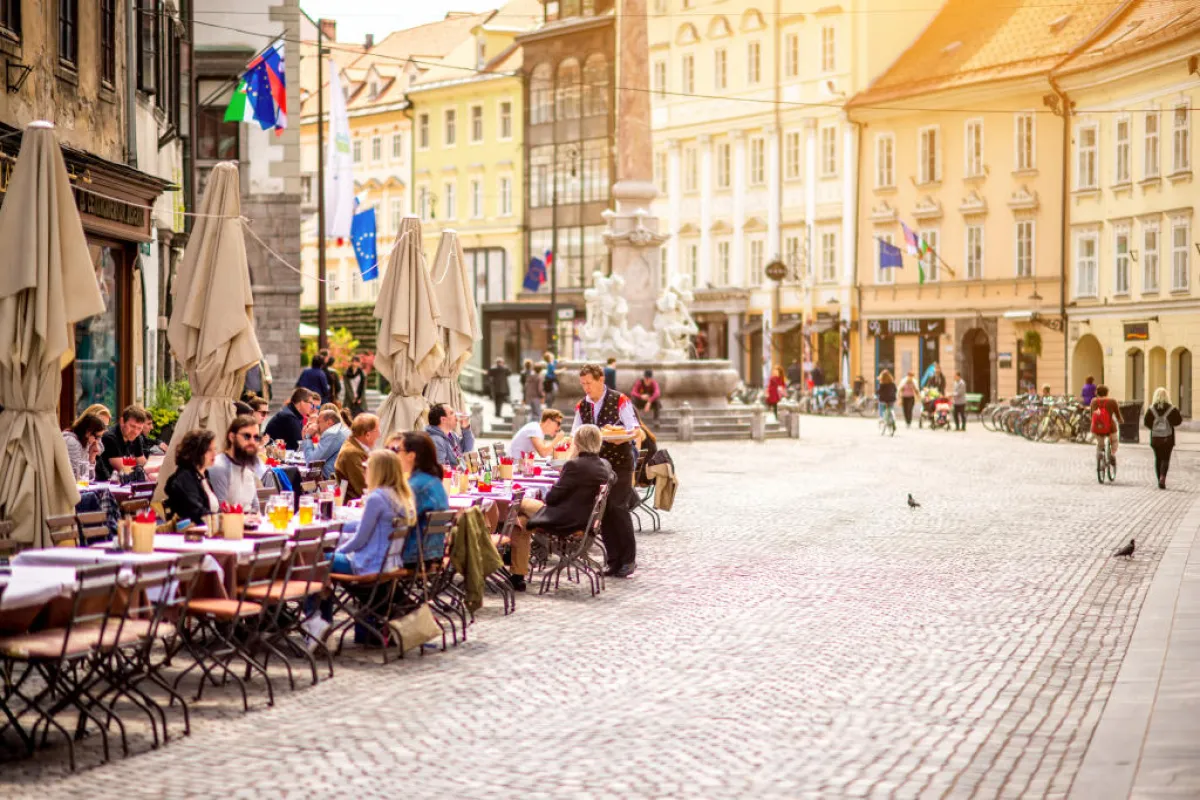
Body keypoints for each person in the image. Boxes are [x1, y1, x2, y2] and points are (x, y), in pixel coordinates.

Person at [311, 450, 418, 640]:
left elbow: (360, 538)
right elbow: (366, 525)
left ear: (378, 471)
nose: (364, 472)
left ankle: (318, 624)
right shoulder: (400, 496)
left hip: (368, 564)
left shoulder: (377, 498)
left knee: (317, 560)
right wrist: (338, 527)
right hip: (389, 563)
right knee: (324, 564)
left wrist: (337, 550)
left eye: (367, 468)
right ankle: (321, 624)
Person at [521, 424, 615, 588]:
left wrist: (569, 463)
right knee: (521, 520)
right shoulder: (605, 464)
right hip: (586, 519)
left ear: (577, 443)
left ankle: (516, 564)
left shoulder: (574, 465)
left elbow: (551, 498)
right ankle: (521, 565)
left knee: (519, 507)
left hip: (567, 519)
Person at [572, 363, 638, 577]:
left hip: (620, 463)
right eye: (583, 384)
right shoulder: (582, 405)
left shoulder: (620, 400)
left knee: (618, 507)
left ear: (601, 380)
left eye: (589, 383)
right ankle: (613, 560)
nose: (586, 388)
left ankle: (628, 560)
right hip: (597, 466)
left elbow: (634, 430)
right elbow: (575, 435)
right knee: (604, 511)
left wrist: (620, 436)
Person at [393, 431, 451, 563]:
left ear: (411, 456)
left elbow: (396, 520)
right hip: (433, 554)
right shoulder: (435, 481)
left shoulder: (415, 486)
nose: (395, 454)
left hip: (412, 556)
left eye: (398, 449)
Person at [163, 429, 220, 526]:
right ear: (196, 452)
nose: (215, 454)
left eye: (215, 449)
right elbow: (196, 513)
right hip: (190, 531)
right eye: (209, 450)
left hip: (207, 528)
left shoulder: (204, 474)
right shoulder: (185, 477)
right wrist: (222, 518)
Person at [207, 416, 263, 514]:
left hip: (250, 521)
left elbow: (255, 506)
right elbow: (221, 511)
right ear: (232, 437)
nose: (252, 442)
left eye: (256, 437)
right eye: (247, 436)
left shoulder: (248, 464)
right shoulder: (219, 466)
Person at [97, 405, 152, 483]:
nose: (135, 432)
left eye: (139, 428)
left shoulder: (136, 437)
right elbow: (124, 470)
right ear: (122, 421)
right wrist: (137, 467)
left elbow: (143, 464)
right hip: (107, 484)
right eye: (132, 426)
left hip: (124, 483)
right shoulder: (110, 438)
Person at [1144, 387, 1184, 490]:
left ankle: (1159, 479)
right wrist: (1170, 424)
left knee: (1158, 458)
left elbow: (1146, 422)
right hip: (1168, 438)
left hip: (1155, 438)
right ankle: (1163, 478)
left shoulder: (1151, 409)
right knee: (1165, 458)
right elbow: (1179, 421)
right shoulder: (1172, 409)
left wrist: (1155, 428)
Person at [335, 414, 381, 501]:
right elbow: (364, 487)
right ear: (367, 435)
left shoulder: (355, 447)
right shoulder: (351, 453)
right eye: (377, 430)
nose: (379, 435)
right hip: (355, 504)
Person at [301, 408, 349, 480]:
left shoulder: (332, 433)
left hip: (331, 480)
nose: (316, 426)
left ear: (329, 422)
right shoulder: (341, 429)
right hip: (341, 477)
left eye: (318, 422)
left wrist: (307, 437)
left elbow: (311, 462)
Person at [424, 403, 476, 467]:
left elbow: (467, 449)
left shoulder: (451, 435)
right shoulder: (436, 441)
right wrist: (460, 469)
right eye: (452, 413)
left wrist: (466, 428)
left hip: (461, 472)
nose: (456, 415)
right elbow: (440, 468)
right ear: (443, 419)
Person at [63, 413, 107, 483]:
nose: (97, 441)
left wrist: (92, 457)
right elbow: (75, 476)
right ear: (88, 432)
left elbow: (89, 478)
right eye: (97, 437)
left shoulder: (85, 443)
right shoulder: (72, 442)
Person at [1089, 384, 1123, 467]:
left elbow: (1091, 415)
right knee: (1114, 441)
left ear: (1097, 393)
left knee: (1100, 444)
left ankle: (1099, 455)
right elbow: (1118, 414)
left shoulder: (1093, 401)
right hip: (1110, 427)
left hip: (1097, 427)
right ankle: (1112, 454)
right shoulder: (1112, 401)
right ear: (1107, 393)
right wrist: (1120, 420)